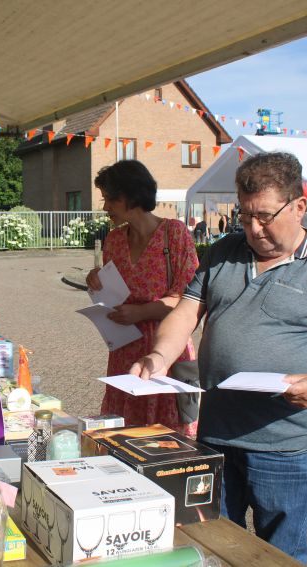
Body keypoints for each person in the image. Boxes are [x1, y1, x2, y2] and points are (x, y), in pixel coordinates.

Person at [130, 152, 307, 563]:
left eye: (265, 216)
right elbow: (186, 312)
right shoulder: (223, 252)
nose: (254, 228)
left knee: (280, 552)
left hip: (284, 442)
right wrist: (158, 356)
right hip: (217, 432)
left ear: (299, 207)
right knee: (215, 543)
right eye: (245, 215)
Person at [86, 160, 199, 436]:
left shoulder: (174, 234)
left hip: (166, 351)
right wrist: (96, 280)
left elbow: (189, 300)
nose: (105, 207)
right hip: (124, 349)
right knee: (124, 434)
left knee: (167, 438)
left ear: (130, 197)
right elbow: (113, 290)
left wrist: (141, 312)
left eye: (109, 199)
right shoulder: (114, 240)